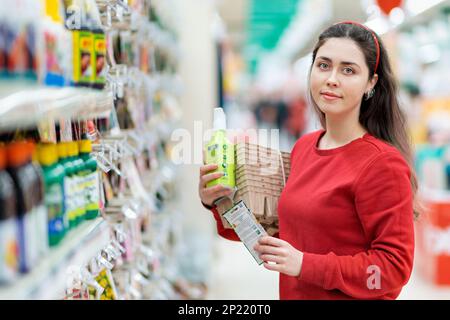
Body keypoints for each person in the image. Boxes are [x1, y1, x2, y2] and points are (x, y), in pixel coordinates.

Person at [198, 21, 419, 300]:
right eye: (323, 65)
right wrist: (218, 201)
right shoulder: (305, 147)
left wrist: (305, 264)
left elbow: (392, 269)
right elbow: (275, 238)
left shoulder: (382, 164)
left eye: (348, 70)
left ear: (371, 83)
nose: (332, 79)